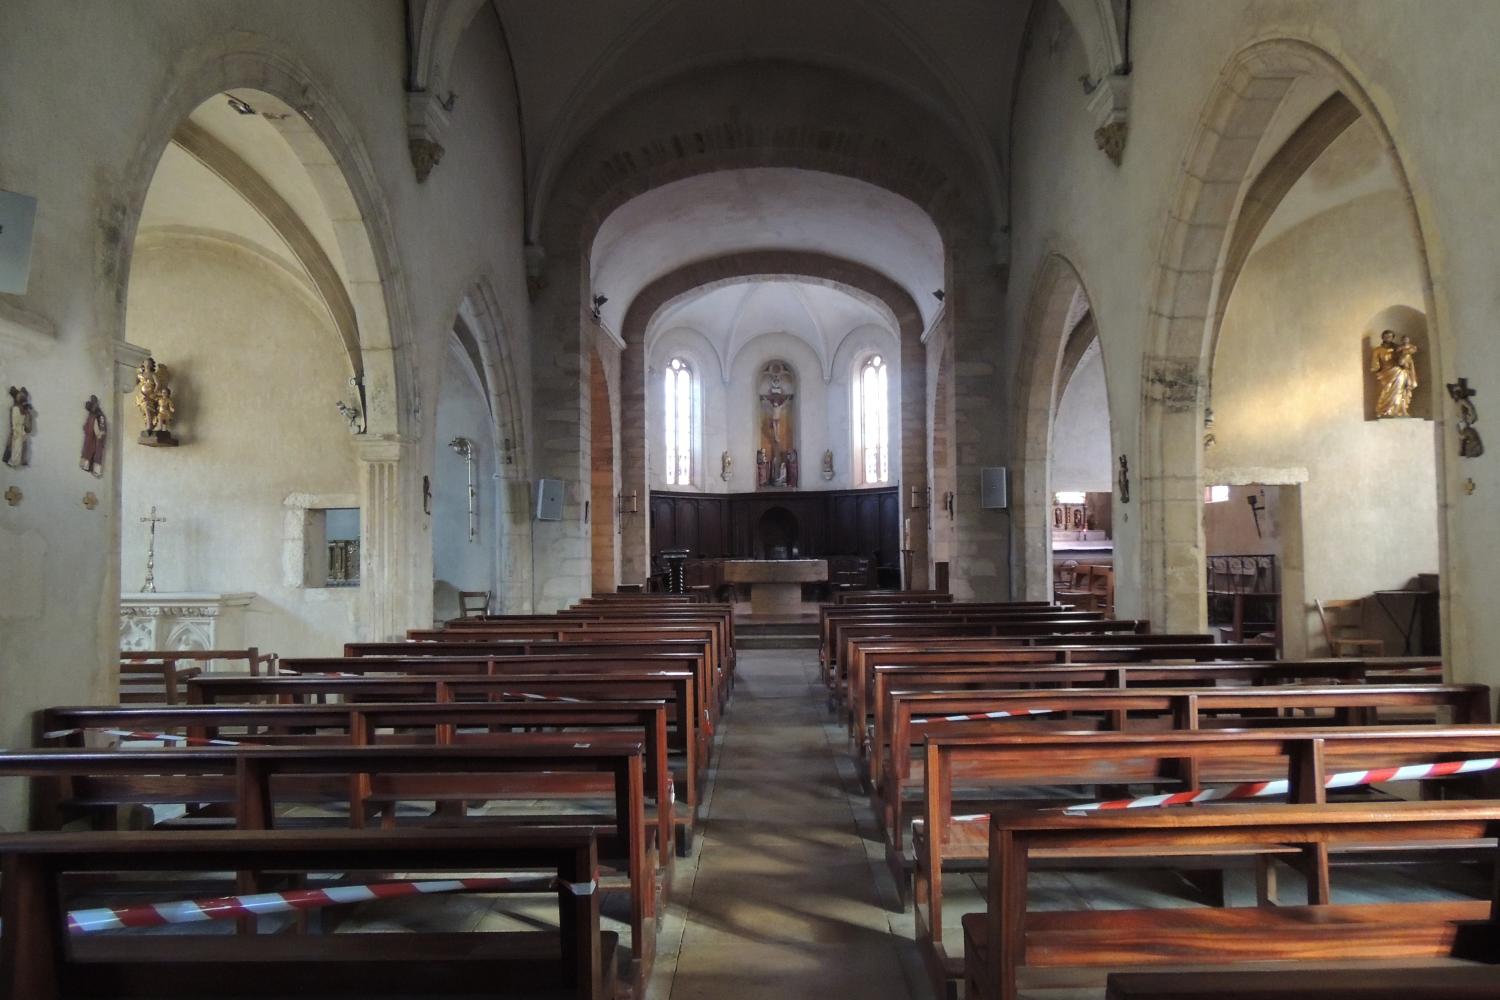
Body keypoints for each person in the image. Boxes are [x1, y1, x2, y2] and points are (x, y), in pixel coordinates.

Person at [1372, 329, 1418, 417]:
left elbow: (1406, 358)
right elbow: (1375, 364)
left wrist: (1405, 360)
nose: (1388, 338)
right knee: (1386, 390)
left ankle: (1399, 410)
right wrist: (1376, 368)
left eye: (1390, 336)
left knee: (1400, 391)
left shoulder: (1398, 348)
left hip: (1399, 371)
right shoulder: (1377, 350)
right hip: (1385, 373)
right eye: (1386, 336)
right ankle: (1384, 410)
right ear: (1382, 337)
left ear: (1393, 338)